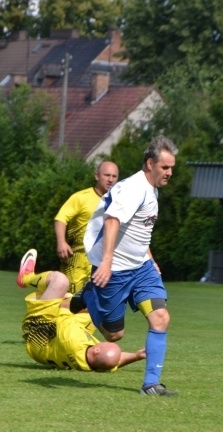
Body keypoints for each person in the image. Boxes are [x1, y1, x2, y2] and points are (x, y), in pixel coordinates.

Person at [81, 136, 180, 396]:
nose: (170, 173)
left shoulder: (151, 187)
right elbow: (113, 221)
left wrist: (150, 257)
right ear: (150, 164)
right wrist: (106, 262)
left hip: (141, 268)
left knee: (161, 317)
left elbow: (137, 228)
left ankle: (151, 384)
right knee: (114, 336)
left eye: (172, 168)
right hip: (114, 270)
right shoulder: (135, 188)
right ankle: (88, 295)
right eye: (165, 168)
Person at [17, 249, 146, 372]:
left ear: (96, 351)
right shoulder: (94, 364)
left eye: (102, 344)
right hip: (44, 350)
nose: (102, 341)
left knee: (60, 281)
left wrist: (79, 299)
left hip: (39, 329)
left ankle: (25, 278)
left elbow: (64, 306)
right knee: (96, 312)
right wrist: (136, 356)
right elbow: (113, 361)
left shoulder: (71, 338)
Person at [51, 161, 119, 294]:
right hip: (78, 262)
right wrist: (61, 242)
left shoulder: (119, 202)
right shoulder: (81, 198)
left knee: (98, 307)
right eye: (107, 175)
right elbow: (61, 218)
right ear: (97, 176)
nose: (110, 179)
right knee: (69, 304)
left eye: (114, 176)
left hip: (104, 264)